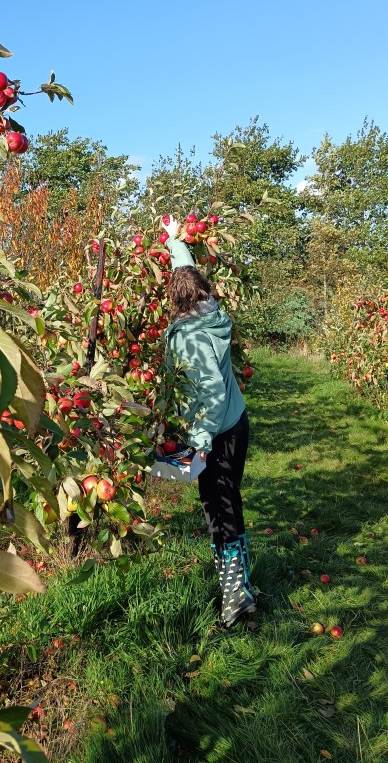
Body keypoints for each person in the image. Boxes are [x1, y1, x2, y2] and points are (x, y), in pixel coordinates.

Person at [160, 214, 256, 627]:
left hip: (218, 433)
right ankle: (242, 586)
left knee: (219, 510)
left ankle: (236, 598)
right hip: (235, 424)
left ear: (177, 301)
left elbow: (212, 391)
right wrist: (174, 240)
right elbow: (184, 268)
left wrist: (199, 442)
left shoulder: (191, 335)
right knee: (226, 502)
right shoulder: (212, 314)